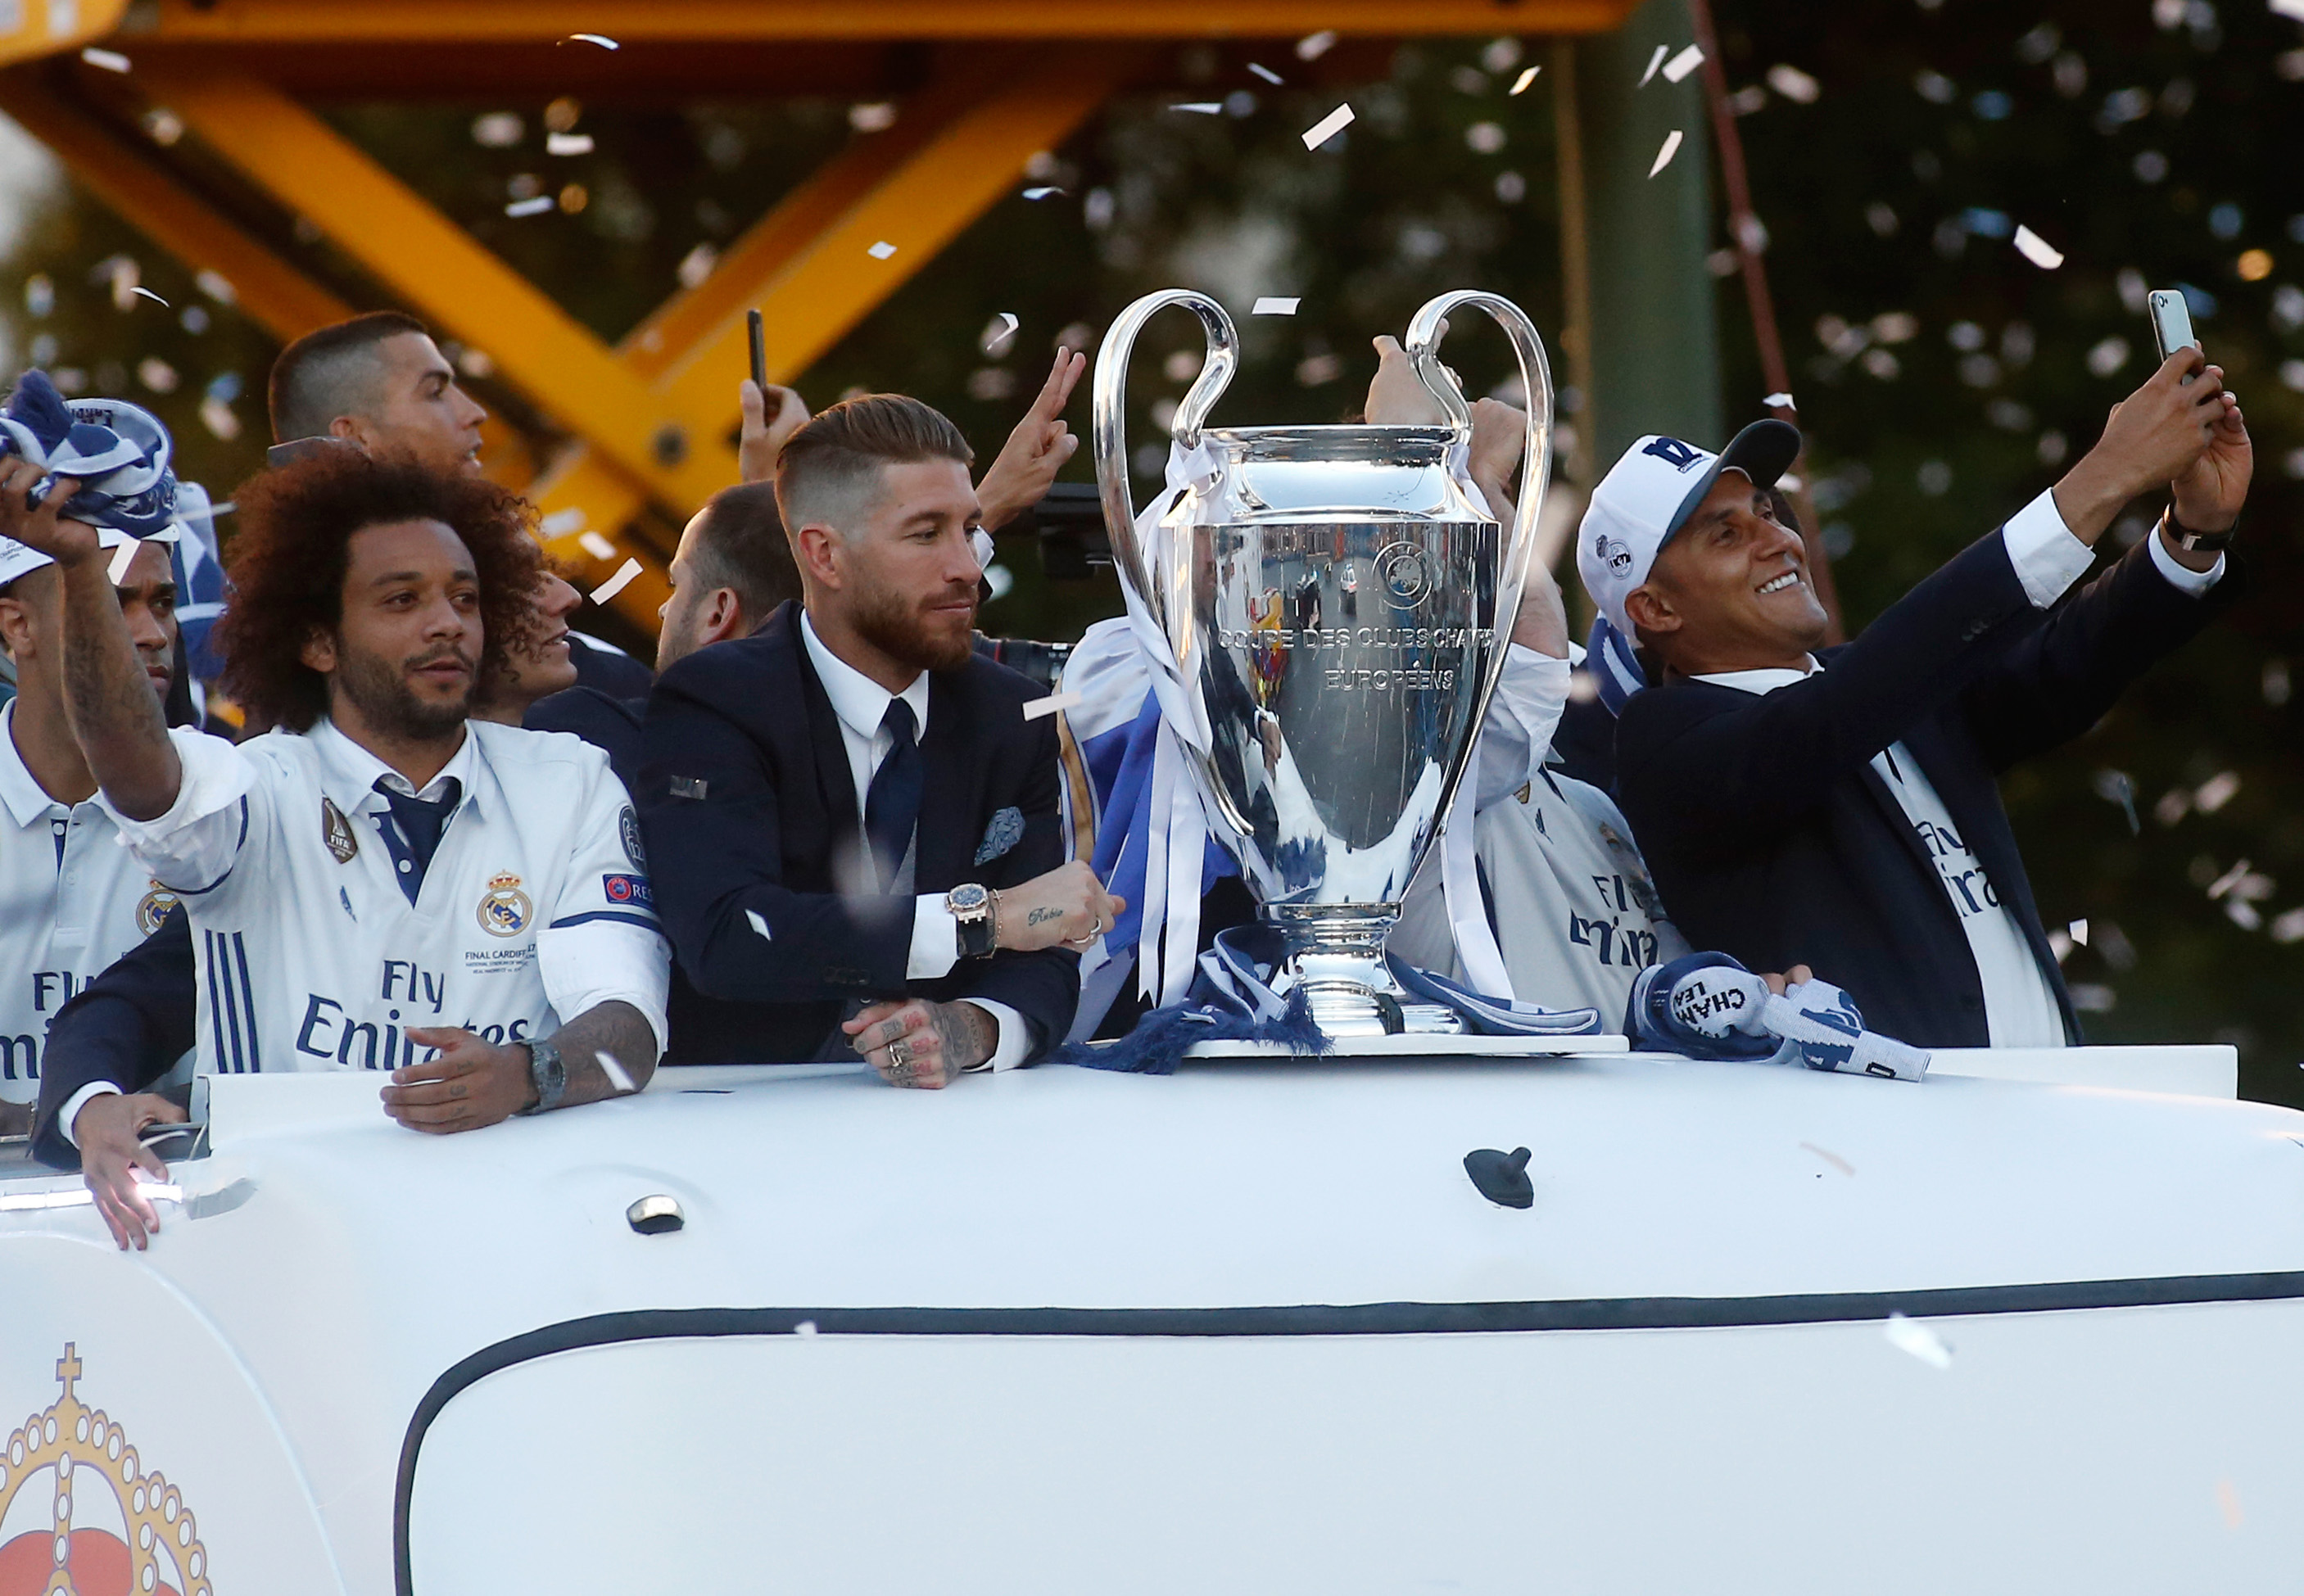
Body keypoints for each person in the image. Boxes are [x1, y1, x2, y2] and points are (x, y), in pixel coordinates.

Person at [8, 448, 668, 1250]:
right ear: (318, 641)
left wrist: (526, 1074)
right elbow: (145, 780)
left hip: (518, 1246)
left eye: (465, 597)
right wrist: (80, 574)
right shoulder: (255, 787)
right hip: (281, 1254)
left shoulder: (570, 782)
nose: (445, 622)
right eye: (402, 599)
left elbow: (627, 1025)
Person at [1596, 349, 2249, 1050]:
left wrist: (2191, 535)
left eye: (1767, 510)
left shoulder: (1881, 689)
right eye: (1726, 533)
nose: (1780, 540)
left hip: (2055, 1113)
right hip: (1882, 1148)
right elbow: (1870, 689)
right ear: (1656, 608)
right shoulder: (1664, 740)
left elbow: (2064, 662)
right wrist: (2103, 477)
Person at [639, 394, 1116, 1087]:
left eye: (969, 529)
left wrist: (972, 1028)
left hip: (952, 1126)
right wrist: (977, 921)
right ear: (824, 554)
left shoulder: (1011, 711)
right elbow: (727, 934)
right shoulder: (714, 698)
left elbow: (1042, 957)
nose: (966, 567)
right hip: (739, 1118)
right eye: (926, 534)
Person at [267, 309, 650, 699]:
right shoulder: (299, 733)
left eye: (465, 598)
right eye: (435, 392)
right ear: (355, 436)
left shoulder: (583, 672)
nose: (474, 413)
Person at [0, 373, 189, 1136]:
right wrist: (62, 1121)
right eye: (115, 602)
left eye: (165, 603)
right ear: (17, 628)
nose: (151, 634)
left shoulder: (225, 803)